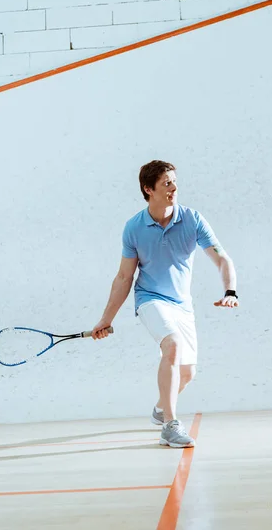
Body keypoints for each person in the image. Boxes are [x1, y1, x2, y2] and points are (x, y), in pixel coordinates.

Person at [92, 160, 238, 448]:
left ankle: (161, 410)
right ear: (149, 189)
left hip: (182, 305)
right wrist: (106, 318)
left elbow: (221, 257)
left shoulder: (193, 219)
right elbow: (124, 277)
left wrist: (230, 291)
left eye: (174, 181)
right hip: (150, 298)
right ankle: (170, 426)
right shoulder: (134, 227)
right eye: (167, 183)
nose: (174, 187)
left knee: (187, 373)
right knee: (171, 345)